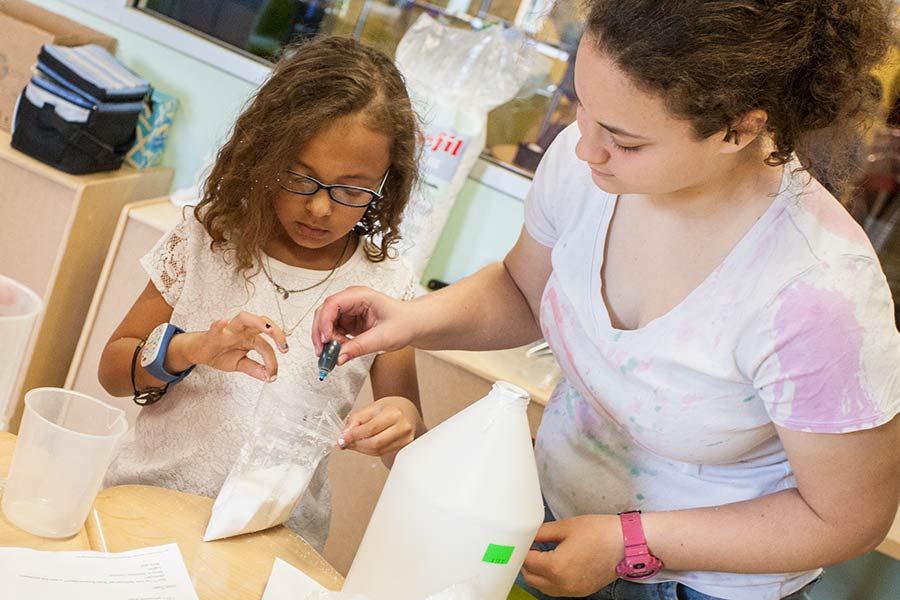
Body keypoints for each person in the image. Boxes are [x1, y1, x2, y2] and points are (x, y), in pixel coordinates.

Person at [313, 1, 900, 598]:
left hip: (699, 583)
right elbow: (524, 289)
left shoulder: (819, 294)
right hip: (553, 517)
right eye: (583, 106)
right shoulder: (585, 166)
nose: (585, 147)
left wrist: (632, 543)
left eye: (623, 139)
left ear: (739, 129)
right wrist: (411, 320)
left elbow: (846, 518)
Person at [98, 36, 425, 553]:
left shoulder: (388, 289)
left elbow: (406, 426)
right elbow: (113, 370)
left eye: (352, 189)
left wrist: (402, 426)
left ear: (389, 181)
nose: (320, 209)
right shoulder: (207, 241)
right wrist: (188, 349)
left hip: (270, 541)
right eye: (301, 178)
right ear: (265, 152)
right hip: (144, 508)